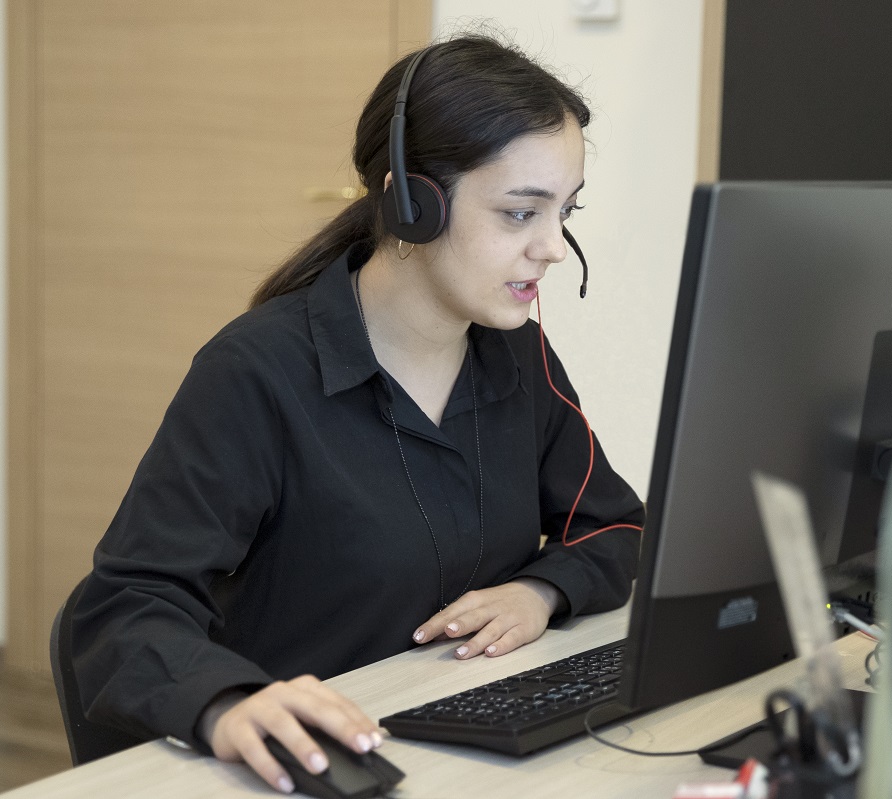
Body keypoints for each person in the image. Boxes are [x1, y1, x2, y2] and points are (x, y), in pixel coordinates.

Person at [70, 34, 644, 794]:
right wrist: (225, 702)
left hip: (460, 753)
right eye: (519, 213)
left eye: (563, 212)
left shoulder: (520, 358)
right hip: (310, 767)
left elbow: (616, 527)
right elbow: (123, 607)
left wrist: (541, 591)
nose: (553, 248)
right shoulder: (256, 373)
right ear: (412, 205)